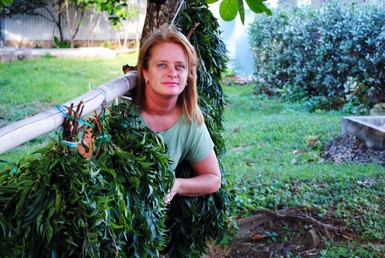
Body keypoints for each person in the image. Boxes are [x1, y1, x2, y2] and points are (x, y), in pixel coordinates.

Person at [131, 26, 221, 204]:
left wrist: (177, 185)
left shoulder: (189, 120)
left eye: (180, 66)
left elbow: (213, 178)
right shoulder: (120, 113)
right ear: (145, 72)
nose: (172, 73)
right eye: (162, 65)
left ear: (188, 76)